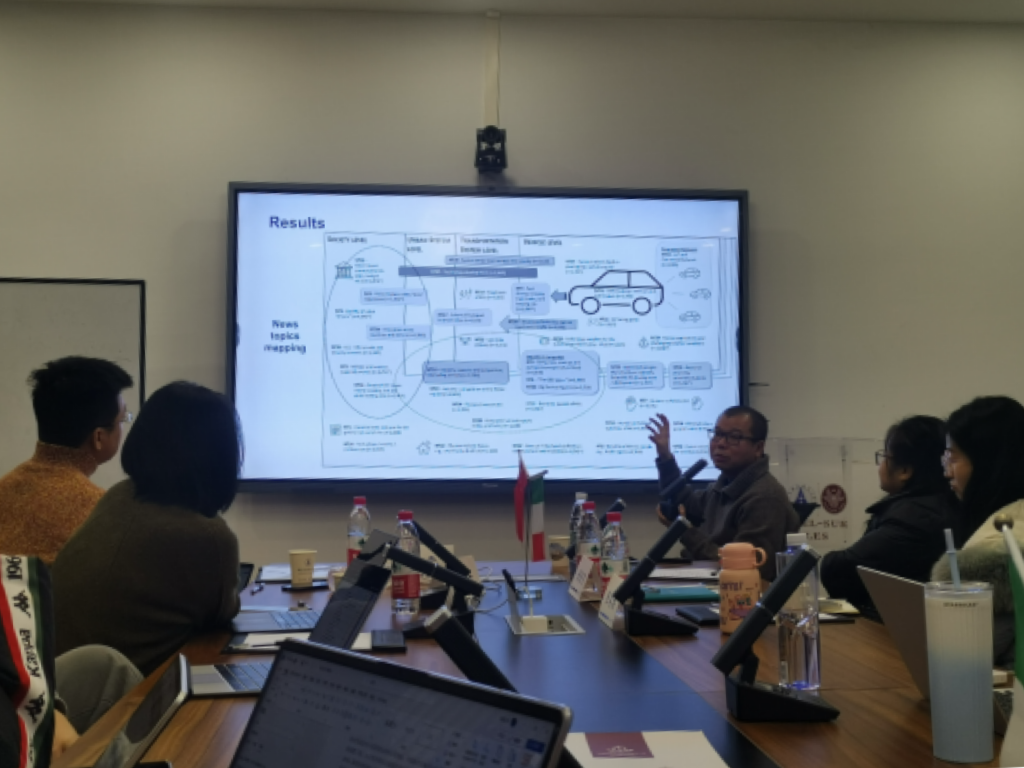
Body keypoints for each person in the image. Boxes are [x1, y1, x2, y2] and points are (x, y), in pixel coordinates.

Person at [53, 382, 242, 676]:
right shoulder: (207, 537)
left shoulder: (119, 495)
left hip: (67, 688)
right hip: (128, 696)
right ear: (221, 458)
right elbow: (223, 612)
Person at [0, 357, 134, 564]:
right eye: (123, 418)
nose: (123, 427)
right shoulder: (100, 512)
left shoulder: (6, 486)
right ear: (99, 438)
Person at [820, 416, 959, 614]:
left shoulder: (914, 518)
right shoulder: (938, 505)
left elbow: (839, 569)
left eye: (885, 456)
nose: (881, 465)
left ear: (904, 471)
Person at [648, 406, 799, 581]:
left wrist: (684, 531)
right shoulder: (723, 485)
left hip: (741, 594)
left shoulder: (765, 498)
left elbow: (746, 569)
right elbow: (684, 503)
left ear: (758, 448)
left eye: (734, 437)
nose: (720, 443)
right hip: (709, 586)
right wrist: (665, 457)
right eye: (718, 434)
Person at [930, 396, 1024, 666]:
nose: (947, 472)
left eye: (953, 457)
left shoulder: (993, 548)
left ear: (988, 463)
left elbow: (960, 655)